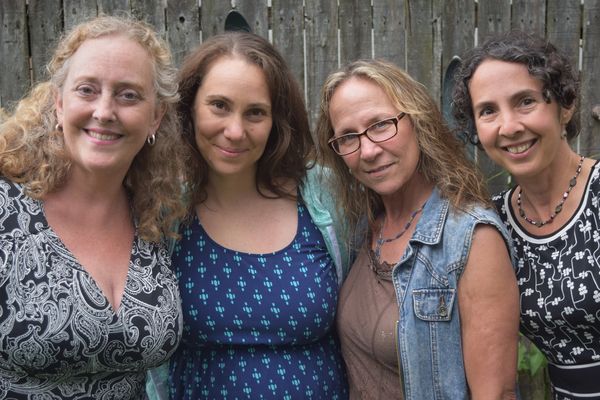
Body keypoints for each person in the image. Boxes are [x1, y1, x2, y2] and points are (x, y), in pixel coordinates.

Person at [0, 16, 186, 399]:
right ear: (59, 103)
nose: (104, 111)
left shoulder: (156, 215)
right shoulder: (6, 208)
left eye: (128, 95)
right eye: (87, 90)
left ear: (156, 117)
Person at [316, 58, 520, 399]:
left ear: (418, 121)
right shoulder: (361, 228)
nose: (368, 150)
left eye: (381, 125)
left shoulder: (471, 237)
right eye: (348, 137)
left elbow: (495, 393)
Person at [167, 32, 350, 399]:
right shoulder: (164, 207)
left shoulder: (324, 196)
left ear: (276, 120)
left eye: (255, 113)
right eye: (219, 105)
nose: (235, 131)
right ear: (189, 108)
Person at [453, 31, 600, 400]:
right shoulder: (494, 224)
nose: (509, 127)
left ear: (565, 105)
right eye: (488, 111)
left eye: (525, 102)